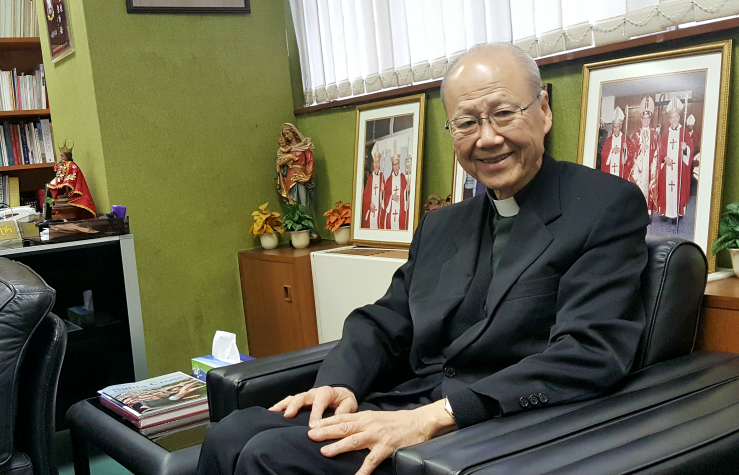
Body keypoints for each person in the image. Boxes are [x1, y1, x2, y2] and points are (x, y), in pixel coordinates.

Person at [197, 42, 649, 475]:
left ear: (544, 110)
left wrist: (435, 416)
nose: (488, 138)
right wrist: (338, 383)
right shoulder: (442, 224)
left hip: (488, 425)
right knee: (231, 433)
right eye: (467, 123)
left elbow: (589, 352)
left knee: (271, 455)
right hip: (405, 401)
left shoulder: (604, 206)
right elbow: (385, 320)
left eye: (504, 114)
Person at [657, 98, 694, 222]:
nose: (673, 120)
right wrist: (664, 158)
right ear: (669, 119)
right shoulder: (666, 133)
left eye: (676, 117)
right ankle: (665, 212)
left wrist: (685, 149)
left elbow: (691, 151)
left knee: (677, 188)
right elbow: (661, 149)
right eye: (671, 118)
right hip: (667, 168)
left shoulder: (684, 133)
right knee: (665, 188)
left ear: (679, 118)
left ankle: (677, 213)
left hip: (679, 168)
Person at [46, 139, 97, 219]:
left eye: (62, 155)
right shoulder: (61, 165)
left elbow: (73, 175)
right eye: (60, 156)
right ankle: (65, 193)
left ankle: (68, 193)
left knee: (68, 183)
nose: (61, 157)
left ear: (67, 155)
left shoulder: (72, 165)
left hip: (70, 180)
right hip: (62, 179)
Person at [627, 96, 659, 212]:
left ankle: (648, 212)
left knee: (648, 187)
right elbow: (630, 151)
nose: (646, 121)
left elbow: (658, 150)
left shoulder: (654, 134)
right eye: (644, 118)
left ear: (650, 119)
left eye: (648, 118)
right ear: (641, 119)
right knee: (639, 188)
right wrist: (640, 147)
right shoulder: (636, 134)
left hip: (650, 167)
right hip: (638, 170)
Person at [276, 123, 315, 214]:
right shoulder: (286, 149)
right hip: (290, 176)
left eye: (288, 133)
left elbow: (311, 161)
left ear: (293, 132)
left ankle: (307, 224)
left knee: (304, 201)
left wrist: (308, 177)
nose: (287, 136)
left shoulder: (303, 146)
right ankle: (295, 224)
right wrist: (280, 163)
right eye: (284, 134)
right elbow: (281, 161)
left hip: (301, 176)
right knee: (292, 202)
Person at [383, 151, 409, 230]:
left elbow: (406, 197)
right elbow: (386, 196)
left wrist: (407, 191)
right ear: (392, 166)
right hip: (391, 210)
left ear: (399, 164)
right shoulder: (389, 180)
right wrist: (391, 197)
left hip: (401, 210)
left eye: (397, 164)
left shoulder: (404, 178)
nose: (396, 166)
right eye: (394, 165)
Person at [362, 143, 385, 229]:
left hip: (379, 210)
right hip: (371, 208)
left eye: (377, 162)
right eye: (374, 162)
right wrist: (369, 204)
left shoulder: (382, 177)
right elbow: (366, 195)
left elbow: (386, 197)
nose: (376, 164)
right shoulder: (371, 178)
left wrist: (383, 191)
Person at [600, 107, 628, 178]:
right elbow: (603, 155)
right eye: (614, 127)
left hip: (620, 170)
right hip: (610, 169)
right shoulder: (608, 140)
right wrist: (612, 151)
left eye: (617, 127)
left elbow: (627, 161)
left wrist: (625, 150)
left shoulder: (624, 139)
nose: (615, 129)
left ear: (621, 126)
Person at [686, 113, 701, 192]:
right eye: (689, 126)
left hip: (693, 154)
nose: (690, 127)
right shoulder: (685, 133)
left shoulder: (695, 134)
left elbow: (695, 144)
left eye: (691, 126)